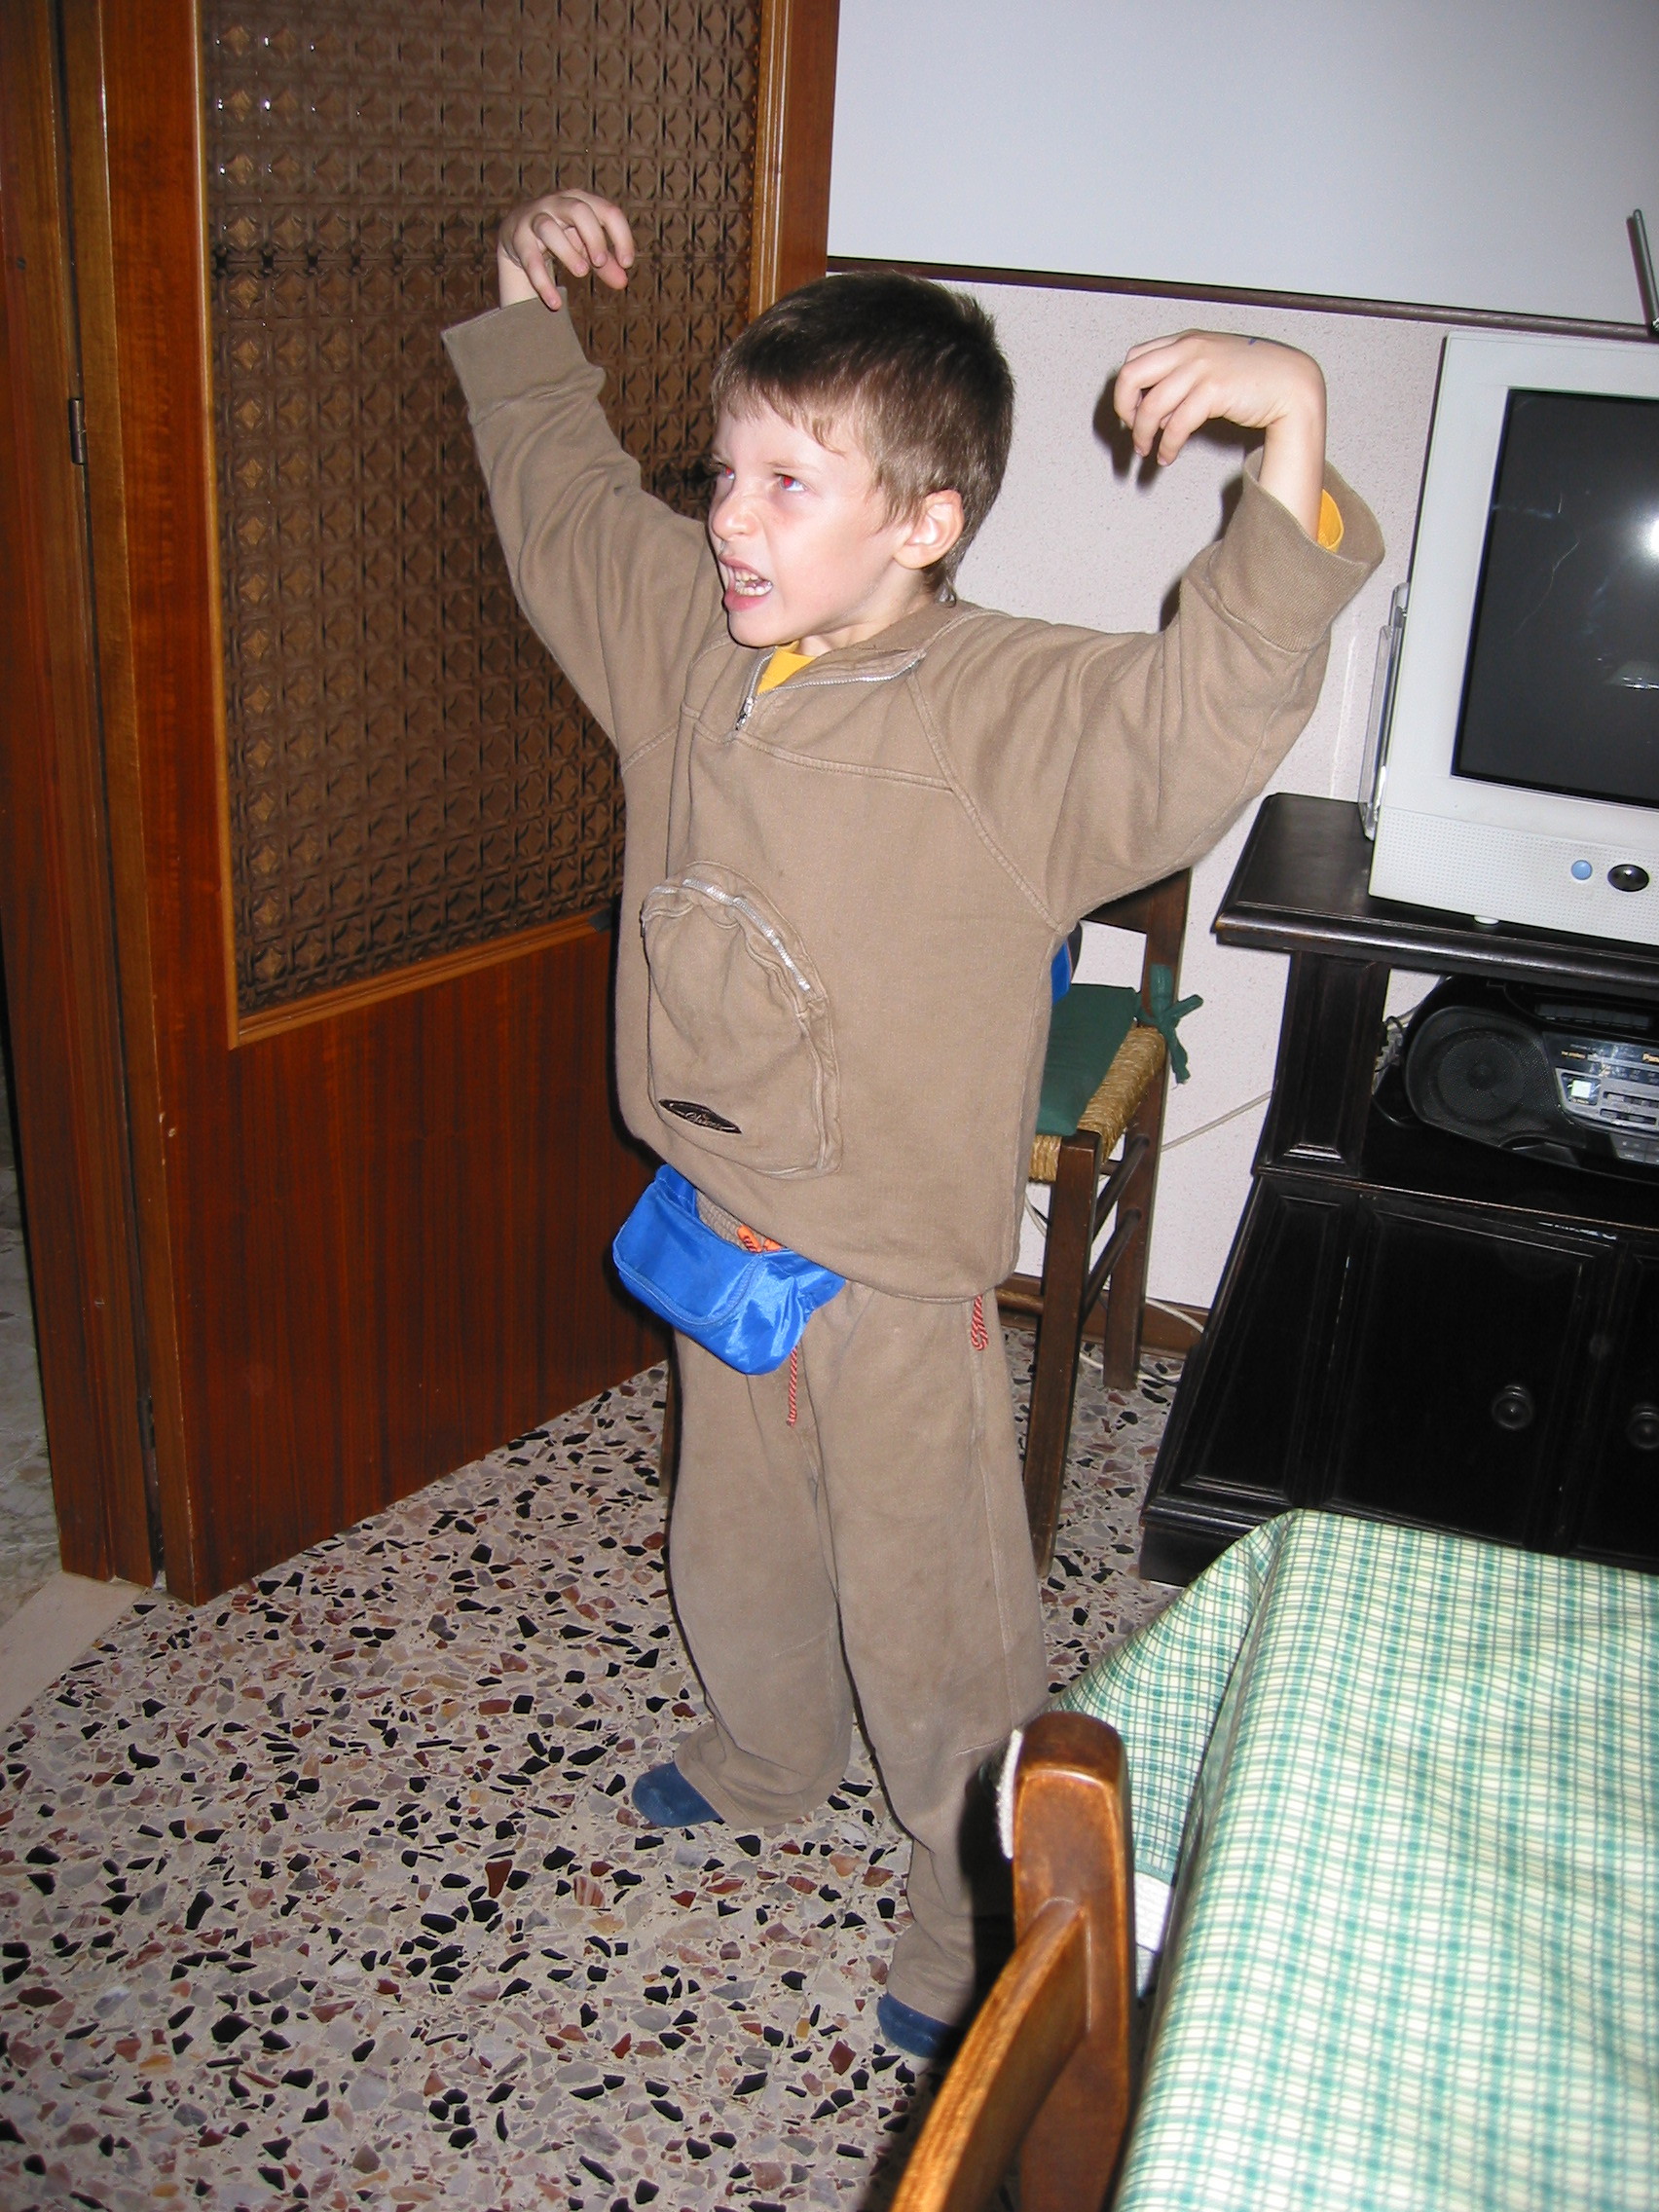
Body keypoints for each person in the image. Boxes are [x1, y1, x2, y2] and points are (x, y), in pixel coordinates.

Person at [443, 187, 1382, 2059]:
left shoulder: (1003, 711)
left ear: (926, 521)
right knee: (734, 1533)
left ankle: (973, 1920)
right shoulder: (687, 637)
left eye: (792, 485)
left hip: (890, 1273)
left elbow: (1202, 712)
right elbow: (563, 508)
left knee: (937, 1613)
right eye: (726, 472)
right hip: (717, 1216)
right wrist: (524, 315)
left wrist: (1293, 425)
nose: (731, 517)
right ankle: (768, 1749)